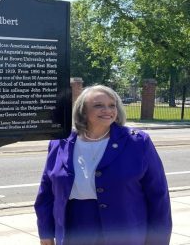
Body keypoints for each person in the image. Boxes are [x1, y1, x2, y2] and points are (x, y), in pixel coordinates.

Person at [34, 85, 172, 245]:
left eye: (112, 105)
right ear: (83, 111)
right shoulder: (60, 142)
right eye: (98, 105)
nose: (107, 110)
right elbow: (46, 192)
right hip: (73, 227)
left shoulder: (138, 142)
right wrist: (45, 232)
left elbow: (158, 195)